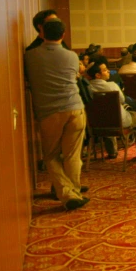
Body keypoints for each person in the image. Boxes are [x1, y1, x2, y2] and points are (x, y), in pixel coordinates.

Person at [25, 19, 88, 210]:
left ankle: (68, 194)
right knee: (72, 155)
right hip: (75, 107)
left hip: (48, 111)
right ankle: (73, 192)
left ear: (41, 33)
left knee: (51, 156)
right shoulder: (71, 57)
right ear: (63, 35)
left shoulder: (30, 56)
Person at [88, 61, 136, 160]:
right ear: (97, 75)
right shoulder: (112, 86)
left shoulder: (87, 89)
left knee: (106, 116)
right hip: (119, 122)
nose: (108, 71)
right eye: (105, 70)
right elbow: (122, 100)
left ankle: (112, 152)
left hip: (95, 123)